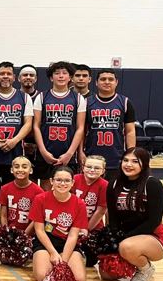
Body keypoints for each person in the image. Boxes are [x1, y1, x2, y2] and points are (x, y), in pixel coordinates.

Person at [104, 147, 163, 281]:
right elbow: (113, 215)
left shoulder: (152, 184)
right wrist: (113, 236)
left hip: (154, 236)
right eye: (126, 160)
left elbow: (154, 220)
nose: (129, 165)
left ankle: (145, 268)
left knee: (127, 247)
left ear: (144, 164)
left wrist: (126, 237)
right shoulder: (114, 184)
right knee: (107, 274)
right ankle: (132, 259)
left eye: (135, 161)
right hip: (125, 235)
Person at [29, 166, 87, 281]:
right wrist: (53, 252)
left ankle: (64, 259)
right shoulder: (40, 199)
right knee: (42, 276)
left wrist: (64, 261)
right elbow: (39, 230)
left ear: (72, 183)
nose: (62, 183)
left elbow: (73, 235)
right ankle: (46, 259)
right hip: (45, 241)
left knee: (79, 279)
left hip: (66, 242)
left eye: (67, 180)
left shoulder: (79, 204)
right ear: (52, 181)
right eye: (58, 180)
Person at [32, 61, 86, 190]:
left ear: (70, 77)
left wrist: (70, 153)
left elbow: (80, 128)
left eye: (64, 73)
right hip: (46, 151)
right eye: (57, 73)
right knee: (46, 188)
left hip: (68, 151)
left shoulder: (78, 98)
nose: (61, 76)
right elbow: (36, 126)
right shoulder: (42, 97)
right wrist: (43, 151)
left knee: (67, 187)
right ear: (51, 77)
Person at [81, 69, 137, 181]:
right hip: (92, 156)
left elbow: (130, 131)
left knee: (114, 192)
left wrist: (131, 153)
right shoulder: (86, 102)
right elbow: (81, 130)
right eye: (103, 79)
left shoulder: (125, 102)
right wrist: (80, 151)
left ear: (116, 82)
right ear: (96, 82)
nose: (107, 82)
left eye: (111, 79)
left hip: (116, 156)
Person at [0, 156, 42, 235]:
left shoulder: (38, 191)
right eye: (16, 167)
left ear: (31, 170)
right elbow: (3, 215)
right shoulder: (4, 189)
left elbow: (36, 219)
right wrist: (6, 233)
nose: (20, 170)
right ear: (11, 170)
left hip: (30, 234)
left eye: (24, 167)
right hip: (10, 233)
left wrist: (24, 236)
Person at [73, 155, 108, 234]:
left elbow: (101, 211)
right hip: (72, 223)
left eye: (97, 168)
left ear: (103, 171)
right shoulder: (74, 179)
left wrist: (86, 229)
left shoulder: (105, 185)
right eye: (89, 167)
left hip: (93, 225)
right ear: (83, 168)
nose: (92, 170)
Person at [18, 65, 41, 173]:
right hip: (17, 144)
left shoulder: (42, 97)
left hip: (38, 145)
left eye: (31, 75)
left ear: (36, 79)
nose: (28, 77)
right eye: (25, 75)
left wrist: (36, 144)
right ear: (18, 78)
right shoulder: (15, 97)